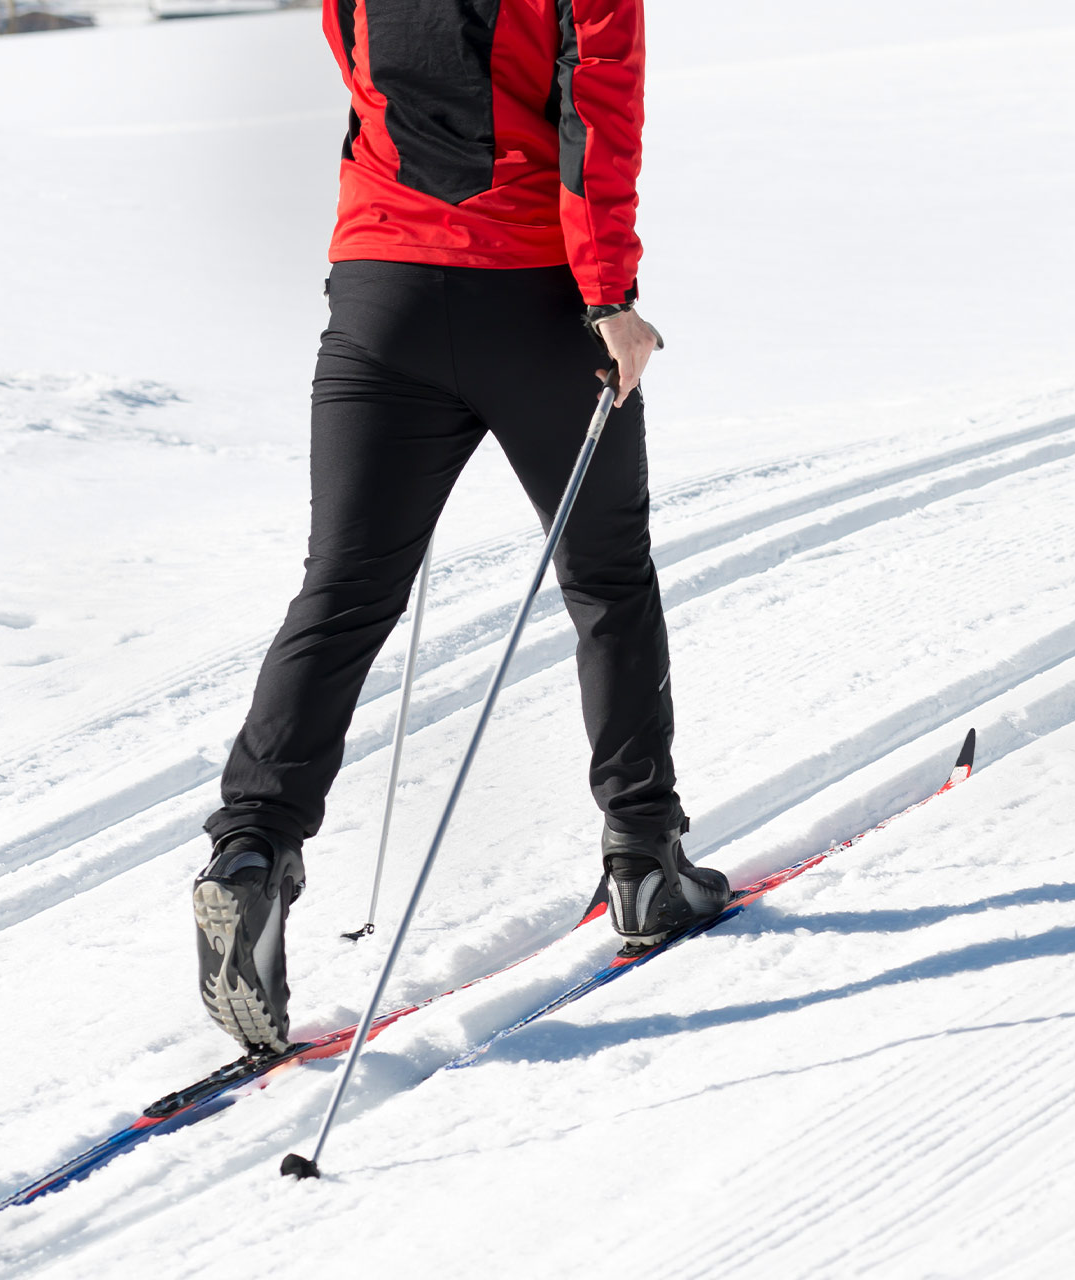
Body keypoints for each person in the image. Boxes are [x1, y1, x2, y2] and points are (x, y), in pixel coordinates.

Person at [188, 0, 728, 1056]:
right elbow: (599, 112)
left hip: (379, 291)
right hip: (534, 295)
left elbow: (369, 80)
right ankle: (645, 859)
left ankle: (250, 852)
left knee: (342, 590)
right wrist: (611, 293)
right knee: (607, 578)